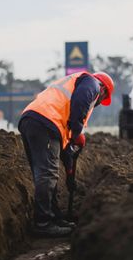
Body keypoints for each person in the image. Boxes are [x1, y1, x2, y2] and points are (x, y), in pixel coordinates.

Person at [18, 71, 114, 237]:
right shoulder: (92, 83)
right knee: (47, 174)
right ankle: (43, 223)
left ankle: (54, 217)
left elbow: (65, 151)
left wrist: (70, 173)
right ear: (104, 89)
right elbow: (81, 101)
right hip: (46, 121)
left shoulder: (74, 84)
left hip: (33, 120)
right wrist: (77, 132)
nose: (98, 101)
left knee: (44, 172)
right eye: (102, 98)